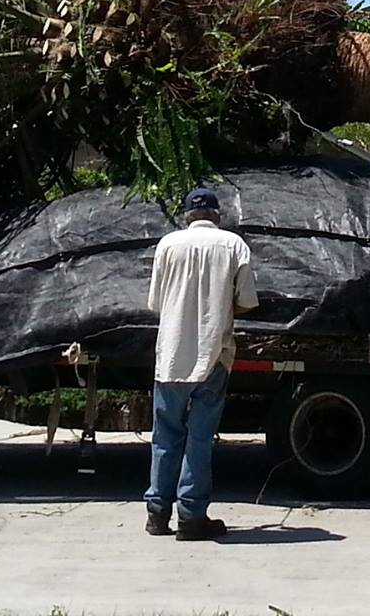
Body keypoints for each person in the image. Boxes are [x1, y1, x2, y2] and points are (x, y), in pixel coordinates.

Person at [145, 185, 257, 542]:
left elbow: (157, 303)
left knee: (165, 436)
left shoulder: (167, 245)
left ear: (187, 216)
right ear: (217, 215)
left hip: (172, 355)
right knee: (199, 438)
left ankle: (157, 513)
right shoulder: (234, 245)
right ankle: (191, 517)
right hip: (214, 355)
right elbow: (247, 303)